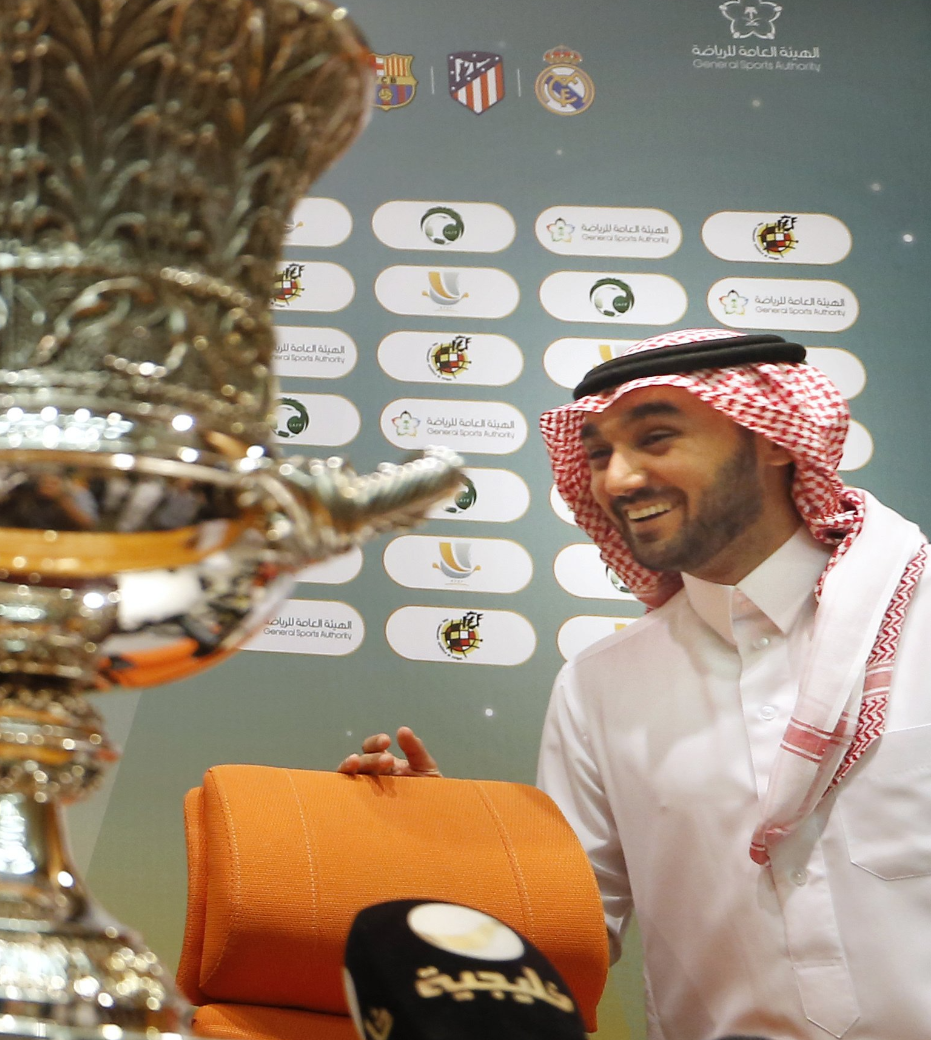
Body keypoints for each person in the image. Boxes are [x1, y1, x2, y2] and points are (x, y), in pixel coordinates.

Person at [340, 329, 931, 1040]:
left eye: (656, 438)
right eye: (599, 454)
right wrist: (451, 850)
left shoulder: (917, 616)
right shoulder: (599, 687)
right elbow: (569, 935)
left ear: (775, 438)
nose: (617, 480)